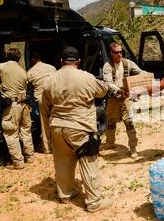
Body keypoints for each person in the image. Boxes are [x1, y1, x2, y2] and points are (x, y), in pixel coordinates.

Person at [40, 46, 112, 212]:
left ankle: (65, 194)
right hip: (80, 127)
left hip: (57, 127)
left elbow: (44, 108)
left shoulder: (50, 79)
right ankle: (94, 202)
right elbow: (102, 92)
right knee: (88, 162)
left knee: (63, 162)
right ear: (78, 61)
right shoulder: (87, 77)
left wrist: (46, 138)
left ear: (61, 61)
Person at [0, 48, 34, 169]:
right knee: (26, 131)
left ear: (6, 56)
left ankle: (18, 163)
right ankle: (30, 157)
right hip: (25, 104)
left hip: (12, 106)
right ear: (19, 58)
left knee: (11, 133)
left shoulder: (0, 66)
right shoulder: (22, 70)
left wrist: (3, 88)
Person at [101, 42, 147, 158]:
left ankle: (133, 147)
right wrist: (118, 90)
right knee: (110, 122)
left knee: (129, 122)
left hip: (126, 97)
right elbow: (108, 82)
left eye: (121, 52)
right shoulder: (107, 66)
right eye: (116, 52)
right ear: (111, 53)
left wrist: (145, 77)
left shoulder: (127, 63)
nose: (119, 54)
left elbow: (140, 71)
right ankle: (110, 143)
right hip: (114, 97)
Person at [27, 51, 57, 154]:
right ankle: (58, 145)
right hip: (54, 96)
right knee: (56, 120)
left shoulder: (30, 72)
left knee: (44, 123)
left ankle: (47, 148)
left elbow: (30, 89)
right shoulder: (51, 67)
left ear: (33, 60)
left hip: (41, 98)